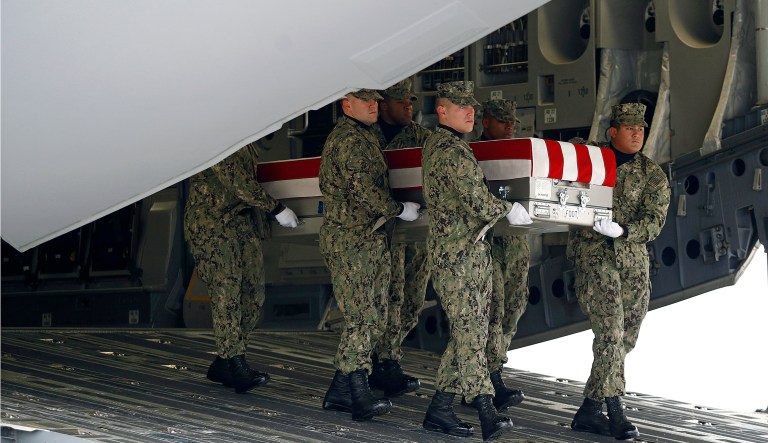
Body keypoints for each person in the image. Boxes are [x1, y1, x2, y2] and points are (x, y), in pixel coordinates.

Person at [420, 81, 532, 441]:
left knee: (470, 332)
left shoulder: (448, 146)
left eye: (472, 107)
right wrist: (508, 209)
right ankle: (485, 409)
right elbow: (477, 201)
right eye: (461, 106)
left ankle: (440, 407)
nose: (470, 112)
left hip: (466, 254)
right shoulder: (451, 152)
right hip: (458, 258)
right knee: (471, 334)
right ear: (442, 110)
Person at [567, 103, 671, 440]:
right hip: (595, 258)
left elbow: (655, 220)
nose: (637, 133)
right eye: (629, 128)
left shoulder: (652, 174)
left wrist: (625, 230)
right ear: (613, 132)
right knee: (610, 334)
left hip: (633, 264)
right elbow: (562, 168)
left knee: (625, 337)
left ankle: (589, 410)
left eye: (640, 128)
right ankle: (615, 409)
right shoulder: (592, 158)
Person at [318, 88, 421, 421]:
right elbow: (363, 190)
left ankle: (338, 391)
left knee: (372, 315)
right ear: (347, 105)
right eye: (367, 102)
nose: (374, 106)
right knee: (363, 318)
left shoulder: (363, 136)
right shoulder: (349, 141)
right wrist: (397, 209)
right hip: (353, 240)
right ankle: (359, 395)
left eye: (376, 101)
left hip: (367, 238)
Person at [184, 141, 300, 394]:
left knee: (253, 294)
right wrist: (277, 209)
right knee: (227, 293)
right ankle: (234, 361)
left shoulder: (247, 140)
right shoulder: (220, 138)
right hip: (213, 225)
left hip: (241, 224)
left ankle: (225, 361)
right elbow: (238, 181)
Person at [368, 78, 432, 397]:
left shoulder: (422, 137)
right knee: (389, 297)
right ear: (383, 105)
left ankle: (386, 355)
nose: (409, 106)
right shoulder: (368, 138)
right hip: (385, 233)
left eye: (410, 100)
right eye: (401, 101)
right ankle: (385, 362)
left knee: (412, 300)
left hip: (416, 235)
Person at [463, 99, 527, 411]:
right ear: (486, 123)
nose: (509, 126)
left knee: (513, 308)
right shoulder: (472, 154)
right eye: (503, 121)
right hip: (488, 245)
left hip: (515, 246)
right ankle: (488, 378)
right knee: (492, 312)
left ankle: (492, 371)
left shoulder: (520, 155)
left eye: (512, 121)